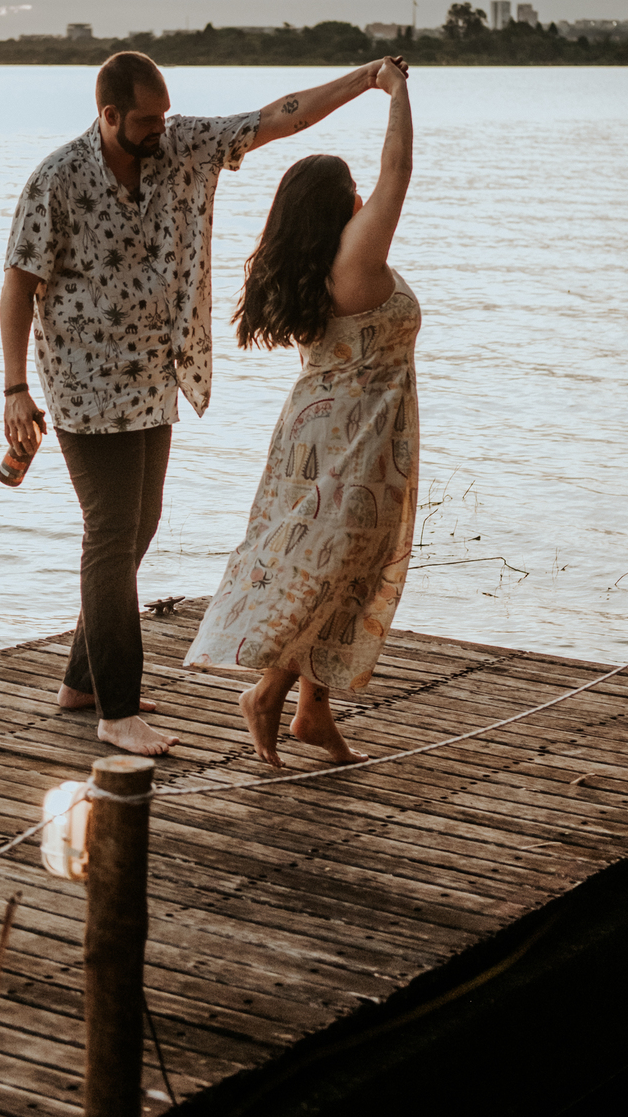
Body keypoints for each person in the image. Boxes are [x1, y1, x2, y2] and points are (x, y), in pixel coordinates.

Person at [0, 48, 408, 757]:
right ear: (109, 115)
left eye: (164, 115)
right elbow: (18, 283)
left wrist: (366, 79)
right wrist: (15, 389)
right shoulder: (56, 181)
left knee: (140, 525)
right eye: (146, 120)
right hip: (82, 383)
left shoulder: (180, 146)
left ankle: (82, 681)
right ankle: (116, 710)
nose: (161, 128)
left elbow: (277, 118)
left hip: (154, 378)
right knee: (110, 532)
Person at [184, 56, 417, 769]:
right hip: (353, 441)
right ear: (340, 206)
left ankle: (313, 711)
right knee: (331, 569)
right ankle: (268, 694)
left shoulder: (309, 265)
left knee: (344, 565)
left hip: (317, 433)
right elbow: (398, 171)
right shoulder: (355, 257)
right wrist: (393, 91)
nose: (364, 196)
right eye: (352, 191)